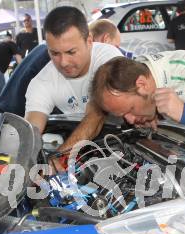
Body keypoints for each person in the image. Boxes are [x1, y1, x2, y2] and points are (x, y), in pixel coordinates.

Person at [24, 6, 122, 153]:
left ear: (89, 41)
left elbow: (96, 115)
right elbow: (31, 131)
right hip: (80, 146)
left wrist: (60, 157)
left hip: (120, 142)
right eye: (55, 53)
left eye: (71, 52)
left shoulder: (108, 59)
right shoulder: (42, 82)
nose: (63, 62)